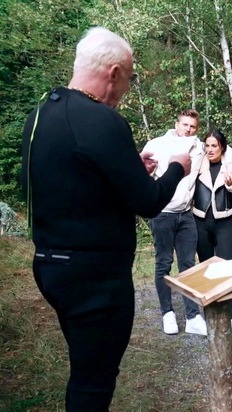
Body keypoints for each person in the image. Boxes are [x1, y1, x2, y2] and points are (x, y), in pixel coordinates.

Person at [21, 27, 191, 411]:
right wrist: (177, 169)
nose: (126, 89)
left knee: (84, 370)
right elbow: (148, 202)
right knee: (93, 382)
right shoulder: (102, 120)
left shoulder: (39, 115)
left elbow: (68, 182)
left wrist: (130, 168)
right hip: (94, 277)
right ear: (114, 72)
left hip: (50, 264)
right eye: (128, 79)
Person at [142, 109, 207, 336]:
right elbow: (142, 173)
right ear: (176, 124)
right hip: (163, 213)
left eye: (192, 126)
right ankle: (167, 313)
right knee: (163, 263)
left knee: (188, 264)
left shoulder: (199, 147)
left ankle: (192, 316)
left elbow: (220, 151)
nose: (188, 129)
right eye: (185, 125)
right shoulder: (158, 144)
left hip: (186, 214)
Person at [193, 130, 232, 338]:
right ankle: (211, 315)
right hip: (201, 222)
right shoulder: (197, 167)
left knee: (227, 270)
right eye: (207, 145)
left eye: (214, 146)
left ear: (222, 147)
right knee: (206, 270)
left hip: (225, 223)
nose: (210, 150)